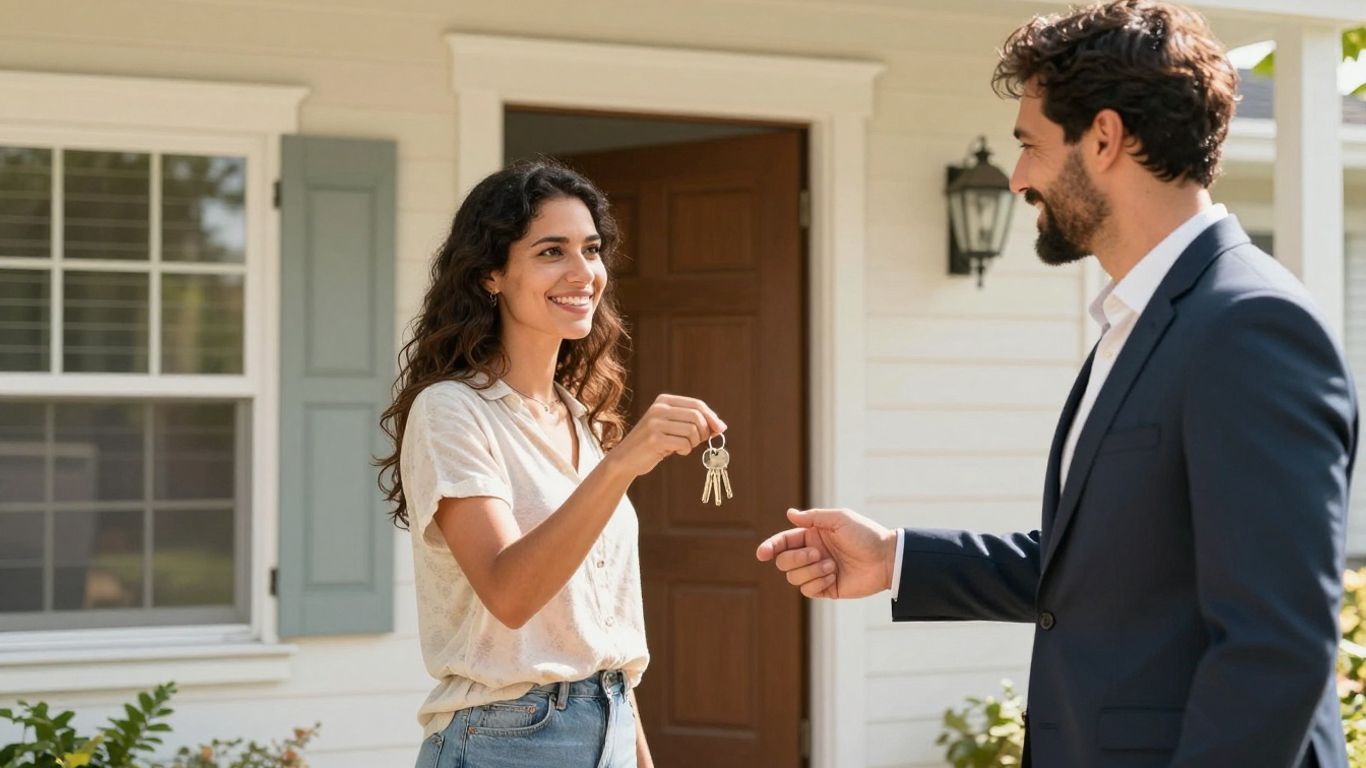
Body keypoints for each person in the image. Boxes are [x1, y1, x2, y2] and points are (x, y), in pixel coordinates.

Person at [757, 2, 1357, 766]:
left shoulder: (1251, 327)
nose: (1017, 179)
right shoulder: (1138, 318)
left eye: (1031, 146)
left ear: (1104, 138)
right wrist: (894, 560)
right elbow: (1117, 564)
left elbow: (1277, 648)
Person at [379, 158, 725, 768]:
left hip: (611, 720)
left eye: (591, 250)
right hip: (507, 739)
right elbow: (510, 595)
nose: (582, 272)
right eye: (550, 252)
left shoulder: (582, 419)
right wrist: (620, 467)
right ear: (491, 274)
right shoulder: (452, 412)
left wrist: (640, 756)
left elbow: (601, 634)